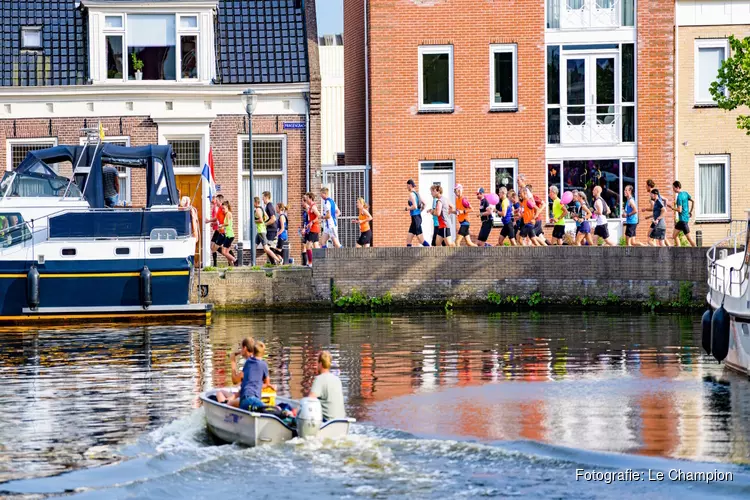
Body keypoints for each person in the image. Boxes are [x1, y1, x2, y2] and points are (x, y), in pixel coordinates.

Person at [308, 351, 345, 421]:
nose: (316, 365)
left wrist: (294, 412)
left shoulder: (319, 379)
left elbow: (309, 401)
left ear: (320, 364)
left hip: (327, 421)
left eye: (316, 362)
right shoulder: (337, 379)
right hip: (341, 420)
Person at [644, 179, 672, 247]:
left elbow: (653, 208)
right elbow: (666, 199)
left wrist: (645, 209)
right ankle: (670, 250)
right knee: (663, 238)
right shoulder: (658, 194)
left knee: (652, 237)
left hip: (657, 220)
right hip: (659, 219)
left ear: (649, 186)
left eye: (646, 185)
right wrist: (663, 209)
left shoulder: (652, 196)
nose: (645, 187)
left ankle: (656, 249)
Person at [254, 197, 280, 265]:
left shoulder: (258, 209)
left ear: (255, 202)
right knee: (254, 246)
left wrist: (254, 221)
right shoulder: (262, 208)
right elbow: (267, 217)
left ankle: (278, 260)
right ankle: (251, 263)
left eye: (253, 202)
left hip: (261, 231)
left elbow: (261, 220)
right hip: (260, 230)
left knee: (266, 249)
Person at [671, 181, 696, 247]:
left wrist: (672, 208)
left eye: (673, 188)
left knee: (689, 239)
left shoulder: (679, 197)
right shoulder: (685, 193)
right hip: (684, 219)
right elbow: (693, 201)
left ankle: (697, 250)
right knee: (674, 236)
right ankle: (678, 249)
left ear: (677, 187)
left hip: (683, 220)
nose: (673, 189)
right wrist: (690, 211)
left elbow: (679, 209)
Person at [405, 179, 429, 247]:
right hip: (416, 218)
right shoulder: (417, 194)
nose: (407, 187)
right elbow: (425, 203)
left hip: (416, 219)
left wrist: (407, 208)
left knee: (421, 240)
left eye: (407, 186)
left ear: (410, 185)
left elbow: (415, 206)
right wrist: (420, 211)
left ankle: (430, 249)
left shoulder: (411, 194)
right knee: (408, 240)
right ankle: (409, 256)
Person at [205, 194, 225, 267]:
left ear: (219, 201)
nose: (214, 201)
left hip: (220, 230)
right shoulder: (218, 208)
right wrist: (211, 222)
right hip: (217, 229)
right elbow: (216, 218)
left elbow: (219, 220)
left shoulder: (221, 209)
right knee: (212, 246)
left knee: (214, 247)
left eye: (216, 200)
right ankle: (215, 264)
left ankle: (229, 256)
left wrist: (210, 221)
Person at [304, 192, 322, 266]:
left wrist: (312, 222)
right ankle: (320, 262)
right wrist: (309, 224)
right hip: (313, 228)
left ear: (310, 198)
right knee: (316, 246)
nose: (306, 199)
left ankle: (311, 263)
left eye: (307, 198)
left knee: (308, 246)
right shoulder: (310, 206)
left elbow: (319, 216)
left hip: (314, 228)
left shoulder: (313, 207)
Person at [220, 201, 237, 265]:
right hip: (229, 235)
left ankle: (235, 261)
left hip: (229, 235)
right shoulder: (228, 214)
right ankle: (232, 264)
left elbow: (227, 223)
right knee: (227, 252)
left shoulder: (228, 214)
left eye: (223, 208)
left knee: (224, 252)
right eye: (222, 208)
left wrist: (221, 225)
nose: (223, 210)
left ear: (227, 207)